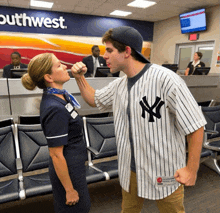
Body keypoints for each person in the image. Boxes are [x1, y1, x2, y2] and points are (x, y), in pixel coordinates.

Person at [71, 26, 206, 213]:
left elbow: (195, 125)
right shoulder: (119, 85)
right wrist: (79, 78)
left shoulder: (166, 79)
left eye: (109, 50)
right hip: (130, 170)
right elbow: (94, 99)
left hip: (165, 170)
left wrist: (191, 169)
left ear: (127, 51)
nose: (104, 56)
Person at [21, 53, 91, 213]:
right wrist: (69, 189)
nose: (65, 66)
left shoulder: (61, 97)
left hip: (75, 166)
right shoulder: (54, 107)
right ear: (49, 77)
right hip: (68, 171)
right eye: (59, 65)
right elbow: (55, 154)